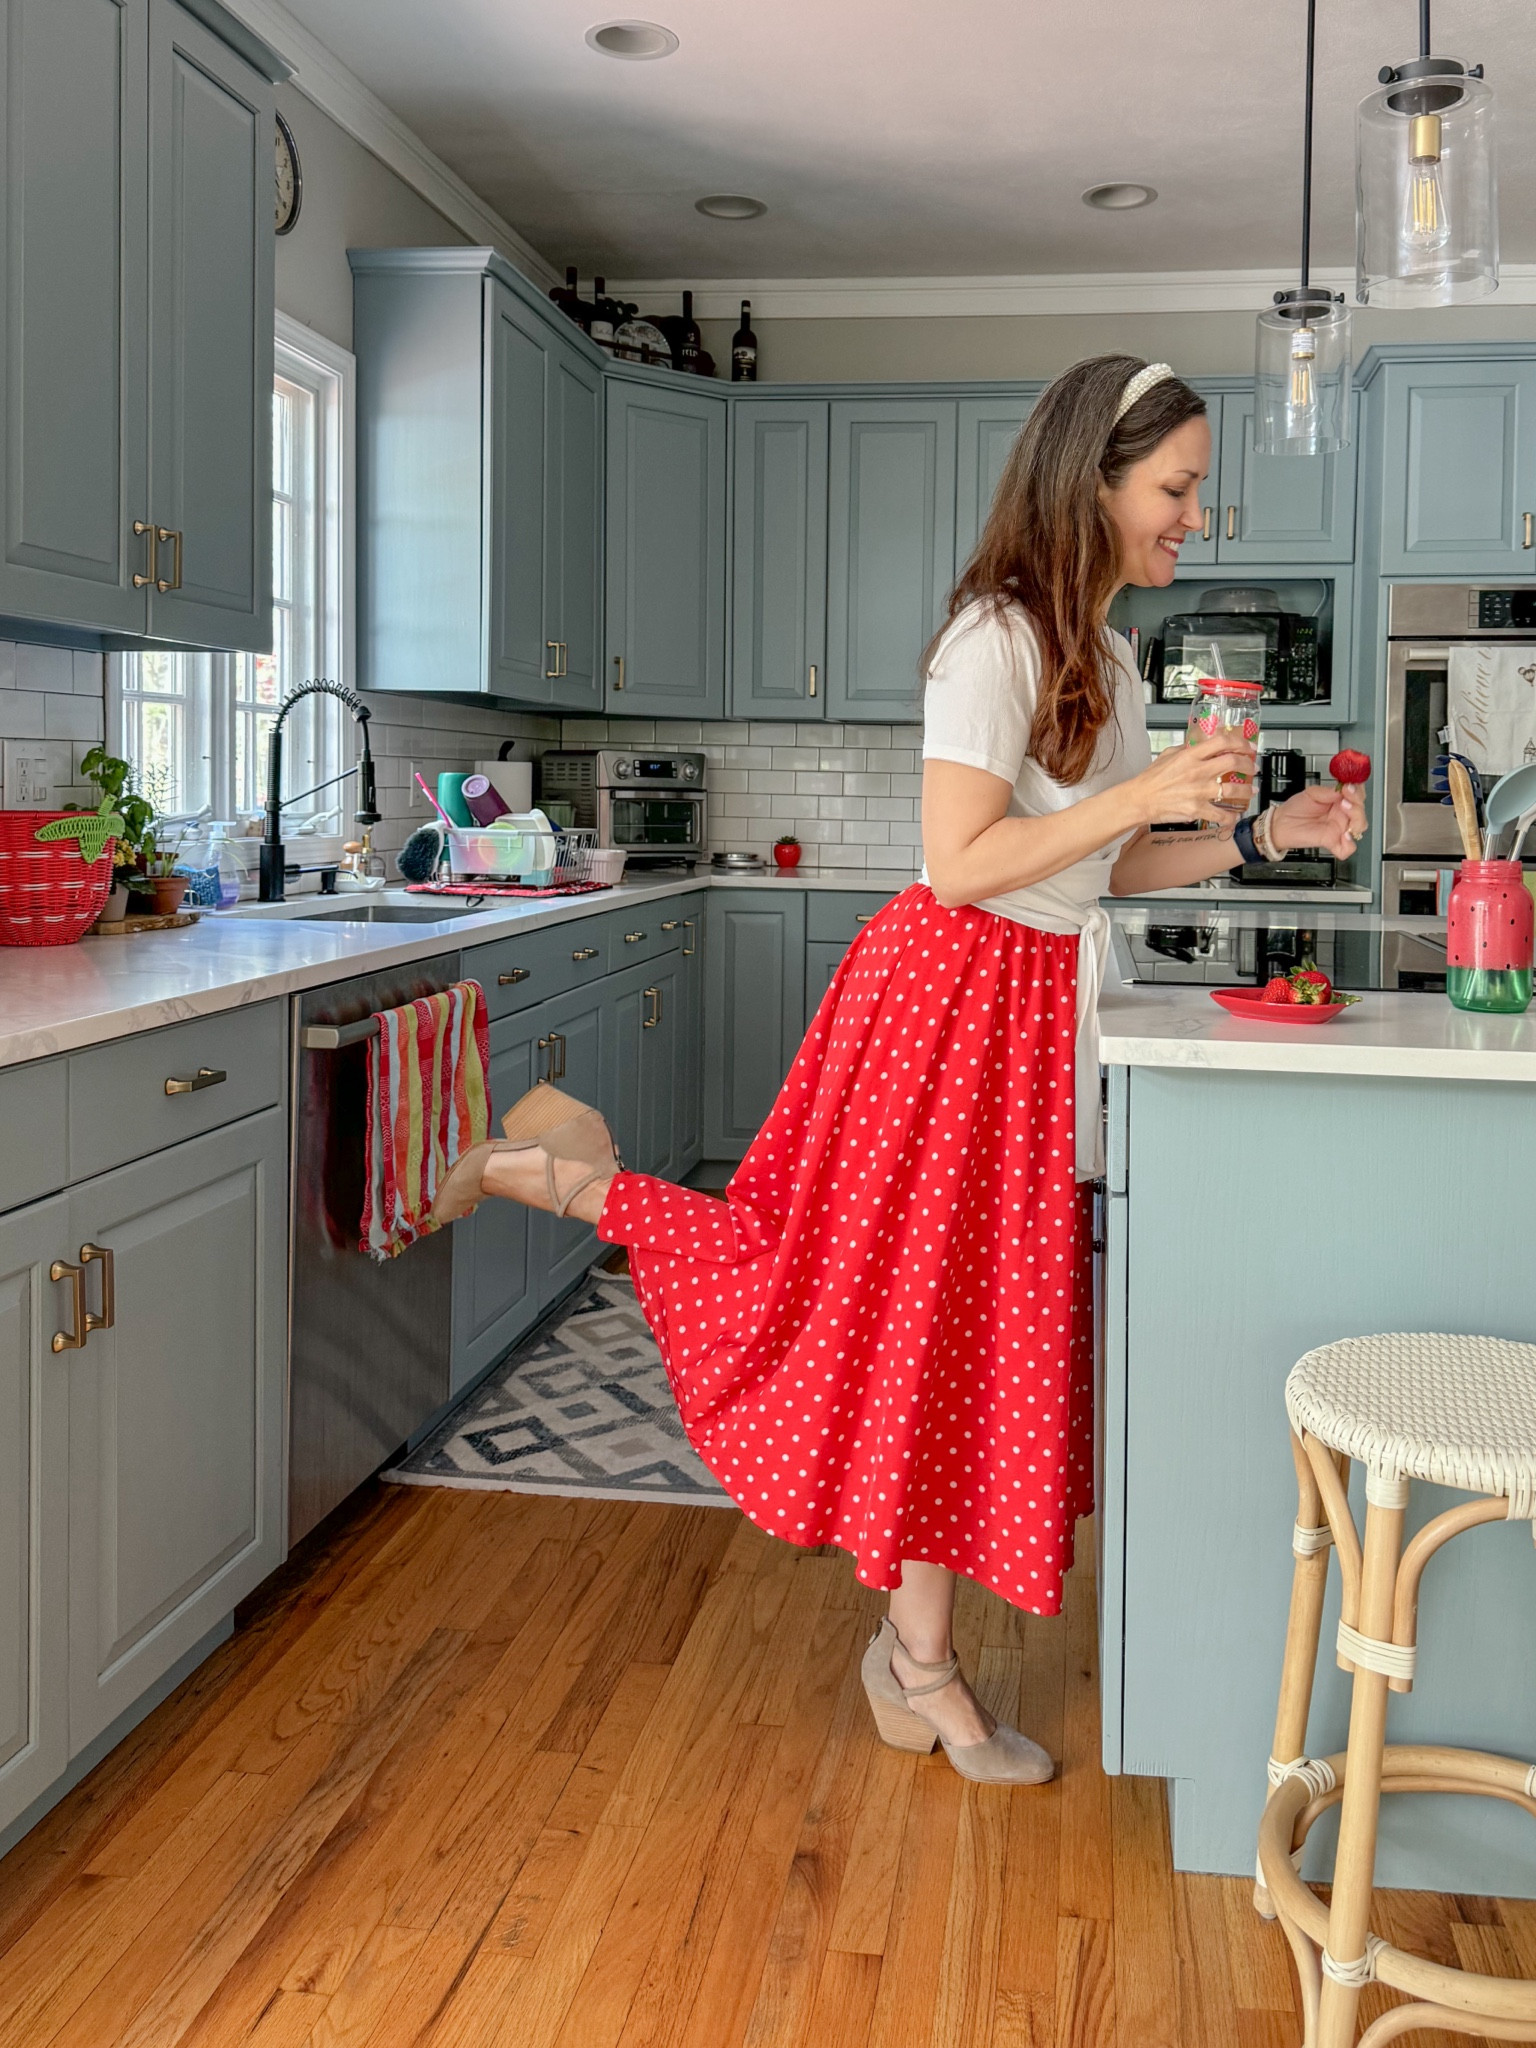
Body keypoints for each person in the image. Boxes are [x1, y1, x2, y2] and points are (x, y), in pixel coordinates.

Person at [431, 354, 1364, 1785]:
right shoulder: (990, 639)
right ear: (1093, 480)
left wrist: (1257, 839)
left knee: (964, 1335)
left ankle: (913, 1659)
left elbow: (1104, 866)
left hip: (1032, 1012)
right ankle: (553, 1175)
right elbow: (962, 861)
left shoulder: (1108, 658)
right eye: (1176, 490)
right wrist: (1143, 790)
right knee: (833, 1294)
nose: (1195, 518)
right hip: (943, 1011)